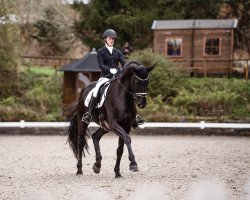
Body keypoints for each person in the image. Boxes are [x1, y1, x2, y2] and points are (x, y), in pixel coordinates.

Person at [82, 29, 144, 127]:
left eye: (113, 39)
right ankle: (89, 113)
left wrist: (127, 69)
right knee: (96, 90)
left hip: (117, 77)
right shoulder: (100, 51)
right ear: (105, 39)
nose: (112, 40)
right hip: (105, 77)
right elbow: (101, 65)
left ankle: (135, 116)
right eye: (110, 38)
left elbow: (124, 63)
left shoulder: (118, 52)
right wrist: (109, 70)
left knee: (129, 92)